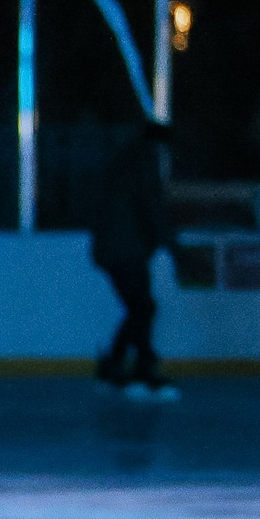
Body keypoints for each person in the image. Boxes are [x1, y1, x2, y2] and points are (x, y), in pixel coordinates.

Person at [91, 119, 178, 402]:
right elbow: (149, 207)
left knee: (140, 308)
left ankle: (118, 364)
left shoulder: (121, 160)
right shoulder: (143, 162)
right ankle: (139, 367)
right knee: (142, 308)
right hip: (126, 249)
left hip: (113, 248)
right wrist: (171, 244)